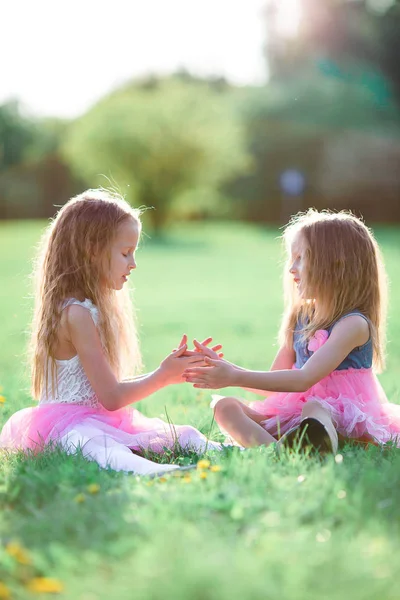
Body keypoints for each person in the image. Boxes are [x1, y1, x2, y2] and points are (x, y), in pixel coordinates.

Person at [0, 189, 222, 475]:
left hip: (98, 419)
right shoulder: (76, 314)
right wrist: (161, 376)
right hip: (66, 427)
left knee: (186, 433)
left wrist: (169, 372)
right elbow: (112, 397)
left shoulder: (88, 309)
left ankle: (239, 450)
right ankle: (151, 470)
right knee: (91, 442)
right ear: (92, 251)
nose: (133, 263)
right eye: (125, 253)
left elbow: (105, 390)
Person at [184, 210, 400, 453]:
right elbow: (271, 384)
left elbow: (304, 379)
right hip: (295, 414)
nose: (291, 269)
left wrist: (233, 375)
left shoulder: (353, 324)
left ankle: (316, 441)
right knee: (224, 407)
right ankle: (279, 451)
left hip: (343, 418)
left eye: (300, 258)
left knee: (316, 409)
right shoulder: (301, 317)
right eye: (291, 258)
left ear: (334, 264)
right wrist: (225, 370)